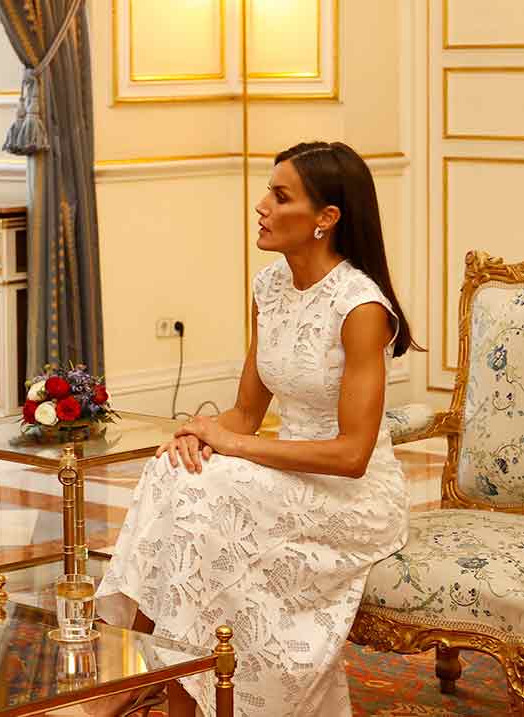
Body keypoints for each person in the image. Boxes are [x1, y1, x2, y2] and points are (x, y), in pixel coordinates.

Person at [96, 141, 419, 716]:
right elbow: (244, 413)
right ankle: (165, 674)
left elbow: (351, 455)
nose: (261, 205)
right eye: (268, 190)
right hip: (287, 471)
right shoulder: (269, 286)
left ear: (326, 219)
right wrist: (198, 432)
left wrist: (234, 446)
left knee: (205, 496)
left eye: (280, 195)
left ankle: (179, 696)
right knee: (171, 470)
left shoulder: (361, 309)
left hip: (354, 498)